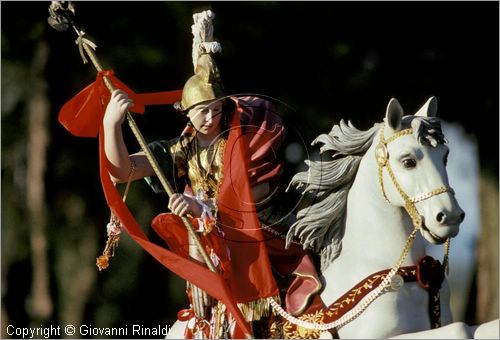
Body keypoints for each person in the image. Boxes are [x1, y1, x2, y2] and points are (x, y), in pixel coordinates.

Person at [102, 10, 319, 339]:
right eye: (202, 111)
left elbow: (258, 190)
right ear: (187, 111)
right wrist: (111, 124)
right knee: (209, 318)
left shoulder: (241, 140)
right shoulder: (180, 149)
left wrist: (206, 209)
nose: (210, 118)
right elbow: (123, 170)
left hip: (248, 238)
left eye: (216, 109)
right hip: (207, 248)